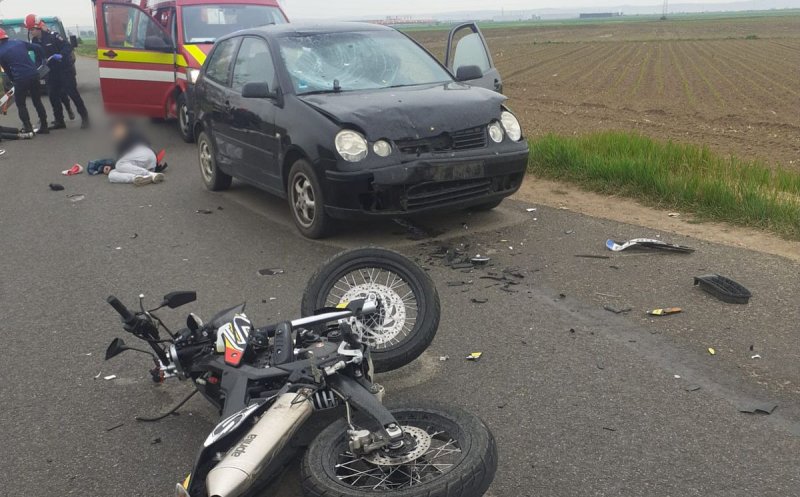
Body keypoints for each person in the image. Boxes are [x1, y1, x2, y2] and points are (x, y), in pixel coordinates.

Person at [25, 14, 89, 129]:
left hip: (64, 70)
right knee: (53, 96)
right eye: (30, 30)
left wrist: (61, 55)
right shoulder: (34, 41)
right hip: (50, 72)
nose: (31, 32)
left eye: (32, 29)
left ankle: (85, 118)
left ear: (38, 28)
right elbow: (38, 58)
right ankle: (59, 121)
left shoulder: (53, 36)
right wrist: (38, 66)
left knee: (73, 94)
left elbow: (67, 46)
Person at [0, 28, 49, 134]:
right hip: (34, 75)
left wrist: (13, 80)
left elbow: (7, 69)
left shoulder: (1, 52)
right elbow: (38, 47)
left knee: (21, 103)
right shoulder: (18, 42)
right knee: (37, 101)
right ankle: (45, 126)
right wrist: (43, 59)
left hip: (20, 78)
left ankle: (28, 127)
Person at [100, 120, 165, 185]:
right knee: (111, 175)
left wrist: (111, 166)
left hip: (144, 154)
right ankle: (138, 178)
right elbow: (124, 163)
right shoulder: (129, 136)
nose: (114, 134)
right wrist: (110, 167)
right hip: (144, 164)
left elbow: (120, 161)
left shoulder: (130, 135)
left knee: (119, 164)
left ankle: (148, 174)